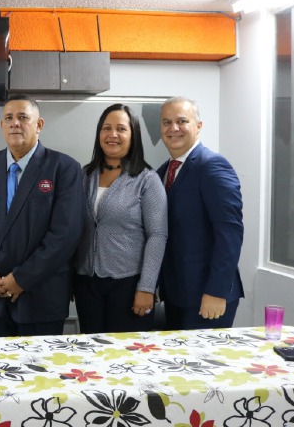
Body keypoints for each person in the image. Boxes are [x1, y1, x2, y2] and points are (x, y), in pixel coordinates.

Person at [0, 94, 85, 337]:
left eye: (23, 117)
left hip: (41, 298)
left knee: (42, 373)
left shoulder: (64, 168)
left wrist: (20, 278)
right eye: (8, 118)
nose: (14, 123)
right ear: (1, 126)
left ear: (39, 125)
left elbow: (65, 234)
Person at [73, 104, 168, 333]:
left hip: (129, 284)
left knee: (125, 359)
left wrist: (146, 288)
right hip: (87, 282)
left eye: (121, 129)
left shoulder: (147, 179)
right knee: (91, 352)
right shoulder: (84, 175)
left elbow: (157, 235)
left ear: (132, 135)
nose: (112, 134)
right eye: (106, 128)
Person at [157, 96, 244, 330]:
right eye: (166, 122)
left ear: (198, 126)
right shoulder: (163, 171)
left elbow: (230, 233)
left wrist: (216, 291)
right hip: (176, 293)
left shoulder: (212, 165)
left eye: (182, 121)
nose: (173, 128)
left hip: (207, 296)